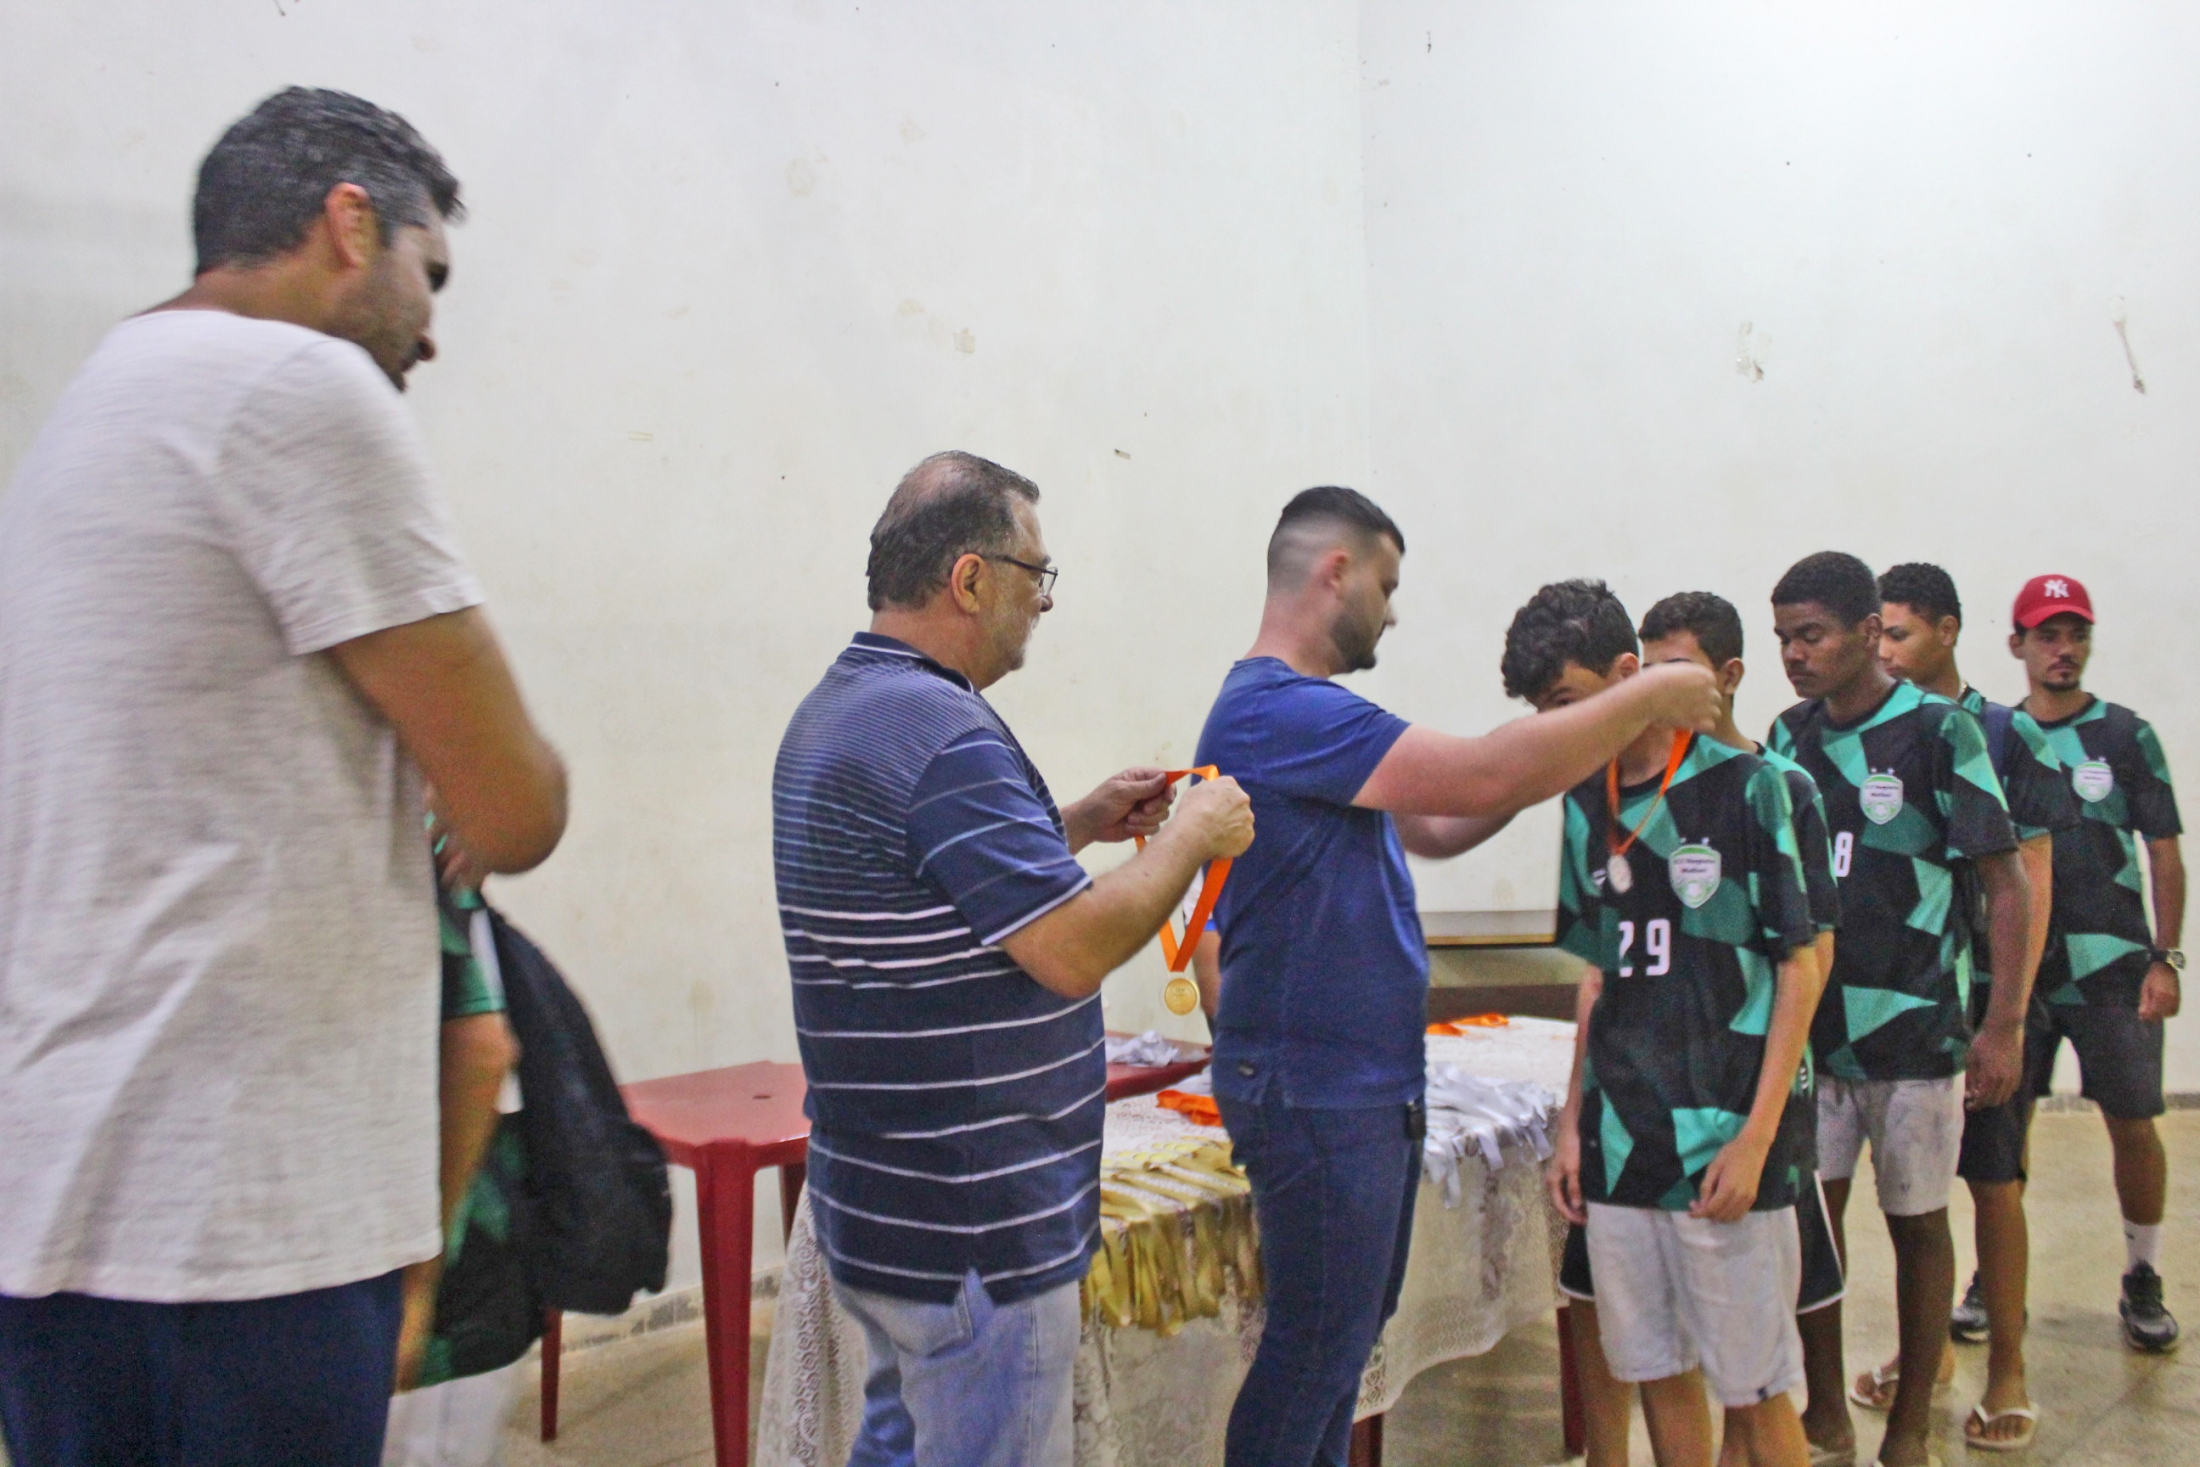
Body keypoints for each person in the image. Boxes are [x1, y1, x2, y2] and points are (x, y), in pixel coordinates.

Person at [0, 87, 568, 1467]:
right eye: (429, 275)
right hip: (237, 1215)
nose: (430, 330)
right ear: (348, 223)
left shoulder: (96, 405)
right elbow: (516, 808)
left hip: (65, 1201)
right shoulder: (293, 386)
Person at [1191, 496, 1723, 1467]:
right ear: (1337, 570)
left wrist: (1561, 742)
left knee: (1341, 1345)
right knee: (1314, 1352)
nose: (1391, 612)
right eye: (1386, 584)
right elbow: (1479, 777)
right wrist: (1644, 698)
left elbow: (1440, 821)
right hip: (1316, 1087)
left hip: (1357, 1084)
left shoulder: (1310, 716)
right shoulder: (1280, 709)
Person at [773, 451, 1255, 1467]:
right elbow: (1071, 950)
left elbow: (933, 881)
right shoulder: (943, 731)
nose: (1044, 599)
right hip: (972, 1230)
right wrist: (1190, 836)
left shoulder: (844, 708)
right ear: (970, 578)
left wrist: (1074, 820)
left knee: (901, 1446)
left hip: (885, 1209)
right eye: (1036, 573)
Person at [1501, 584, 1837, 1467]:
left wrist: (1758, 1140)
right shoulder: (1587, 799)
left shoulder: (1751, 786)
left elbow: (1800, 969)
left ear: (1628, 676)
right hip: (1624, 1140)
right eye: (1542, 712)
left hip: (1724, 1138)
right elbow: (1598, 975)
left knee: (1756, 1386)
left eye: (1566, 702)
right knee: (1657, 1368)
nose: (1555, 728)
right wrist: (1574, 1124)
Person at [1767, 553, 2028, 1467]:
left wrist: (2003, 1023)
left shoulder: (1938, 730)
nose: (1794, 655)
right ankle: (1825, 1414)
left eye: (1811, 635)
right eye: (1783, 638)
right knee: (1813, 1225)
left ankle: (1910, 1425)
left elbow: (2006, 882)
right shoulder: (1789, 735)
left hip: (1916, 1028)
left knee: (1918, 1226)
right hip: (1814, 1034)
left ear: (1869, 632)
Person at [1872, 562, 2076, 1451]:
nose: (1882, 650)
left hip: (1988, 997)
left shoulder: (2003, 733)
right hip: (1907, 1003)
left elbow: (2030, 878)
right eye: (1875, 633)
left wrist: (2009, 1019)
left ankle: (2008, 1369)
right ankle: (1929, 1358)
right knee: (1915, 1198)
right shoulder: (1877, 734)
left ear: (1947, 632)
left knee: (1994, 1181)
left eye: (1898, 632)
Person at [2006, 573, 2184, 1353]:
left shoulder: (2125, 735)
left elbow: (2165, 851)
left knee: (2134, 1122)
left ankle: (2143, 1272)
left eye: (2076, 634)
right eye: (2048, 634)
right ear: (2017, 643)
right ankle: (1995, 1276)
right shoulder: (1997, 737)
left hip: (2115, 968)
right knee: (2003, 1132)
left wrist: (2164, 958)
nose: (2064, 649)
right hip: (2023, 974)